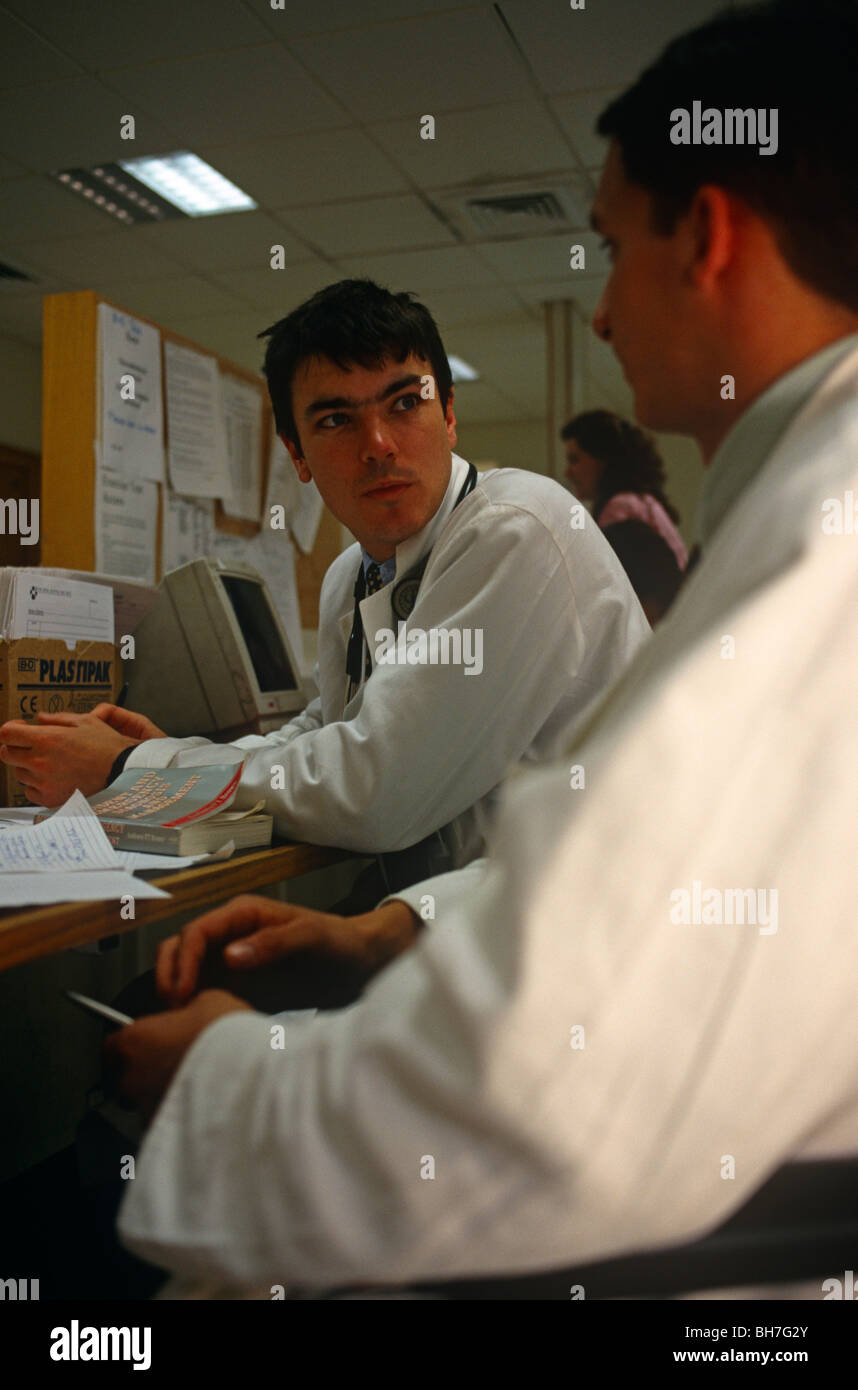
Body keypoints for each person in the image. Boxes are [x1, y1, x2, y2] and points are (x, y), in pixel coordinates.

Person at [109, 0, 858, 1292]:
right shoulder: (792, 503)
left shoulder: (813, 544)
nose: (606, 317)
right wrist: (392, 929)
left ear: (712, 237)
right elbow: (621, 893)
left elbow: (541, 1091)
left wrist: (227, 1083)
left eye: (613, 252)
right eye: (335, 422)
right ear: (299, 451)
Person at [0, 281, 648, 914]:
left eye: (404, 403)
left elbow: (376, 790)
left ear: (448, 413)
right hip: (446, 913)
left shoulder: (514, 529)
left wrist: (133, 768)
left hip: (569, 932)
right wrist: (177, 756)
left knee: (180, 999)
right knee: (184, 979)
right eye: (337, 419)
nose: (378, 446)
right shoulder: (352, 573)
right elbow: (329, 727)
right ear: (297, 454)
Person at [563, 409, 687, 621]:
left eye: (575, 460)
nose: (568, 472)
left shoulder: (621, 512)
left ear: (602, 460)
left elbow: (641, 601)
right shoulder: (644, 502)